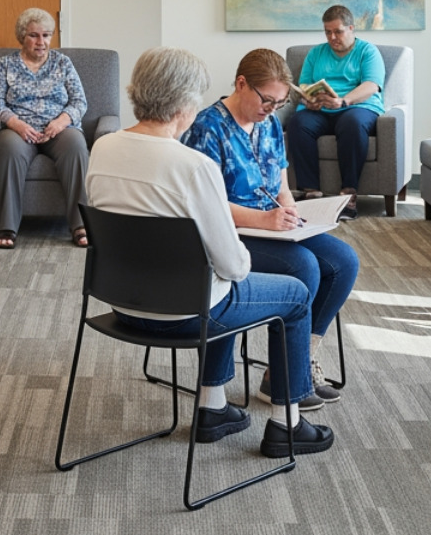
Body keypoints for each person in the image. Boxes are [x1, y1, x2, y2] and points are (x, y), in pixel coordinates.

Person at [86, 47, 335, 457]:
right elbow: (233, 265)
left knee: (217, 282)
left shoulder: (103, 147)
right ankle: (287, 425)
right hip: (184, 313)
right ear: (184, 103)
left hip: (122, 305)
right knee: (294, 293)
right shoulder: (192, 166)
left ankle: (213, 407)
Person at [182, 48, 360, 411]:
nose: (271, 109)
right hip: (230, 232)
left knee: (344, 261)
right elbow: (205, 205)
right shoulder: (207, 128)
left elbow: (280, 183)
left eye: (279, 103)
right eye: (267, 100)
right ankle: (285, 380)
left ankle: (298, 362)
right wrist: (264, 220)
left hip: (272, 225)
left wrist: (294, 211)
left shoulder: (270, 125)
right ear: (241, 83)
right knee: (303, 267)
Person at [0, 7, 90, 250]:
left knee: (76, 145)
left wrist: (61, 121)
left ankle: (80, 224)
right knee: (10, 150)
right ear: (22, 36)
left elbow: (79, 101)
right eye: (34, 35)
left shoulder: (63, 63)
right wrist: (16, 124)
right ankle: (8, 227)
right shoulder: (5, 65)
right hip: (16, 130)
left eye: (46, 35)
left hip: (58, 128)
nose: (41, 42)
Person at [285, 4, 387, 219]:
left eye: (338, 31)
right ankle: (310, 191)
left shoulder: (368, 51)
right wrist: (308, 100)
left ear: (351, 28)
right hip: (321, 110)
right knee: (298, 123)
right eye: (328, 32)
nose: (332, 37)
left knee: (352, 123)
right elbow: (304, 84)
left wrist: (344, 100)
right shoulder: (316, 53)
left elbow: (371, 85)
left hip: (357, 107)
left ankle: (348, 193)